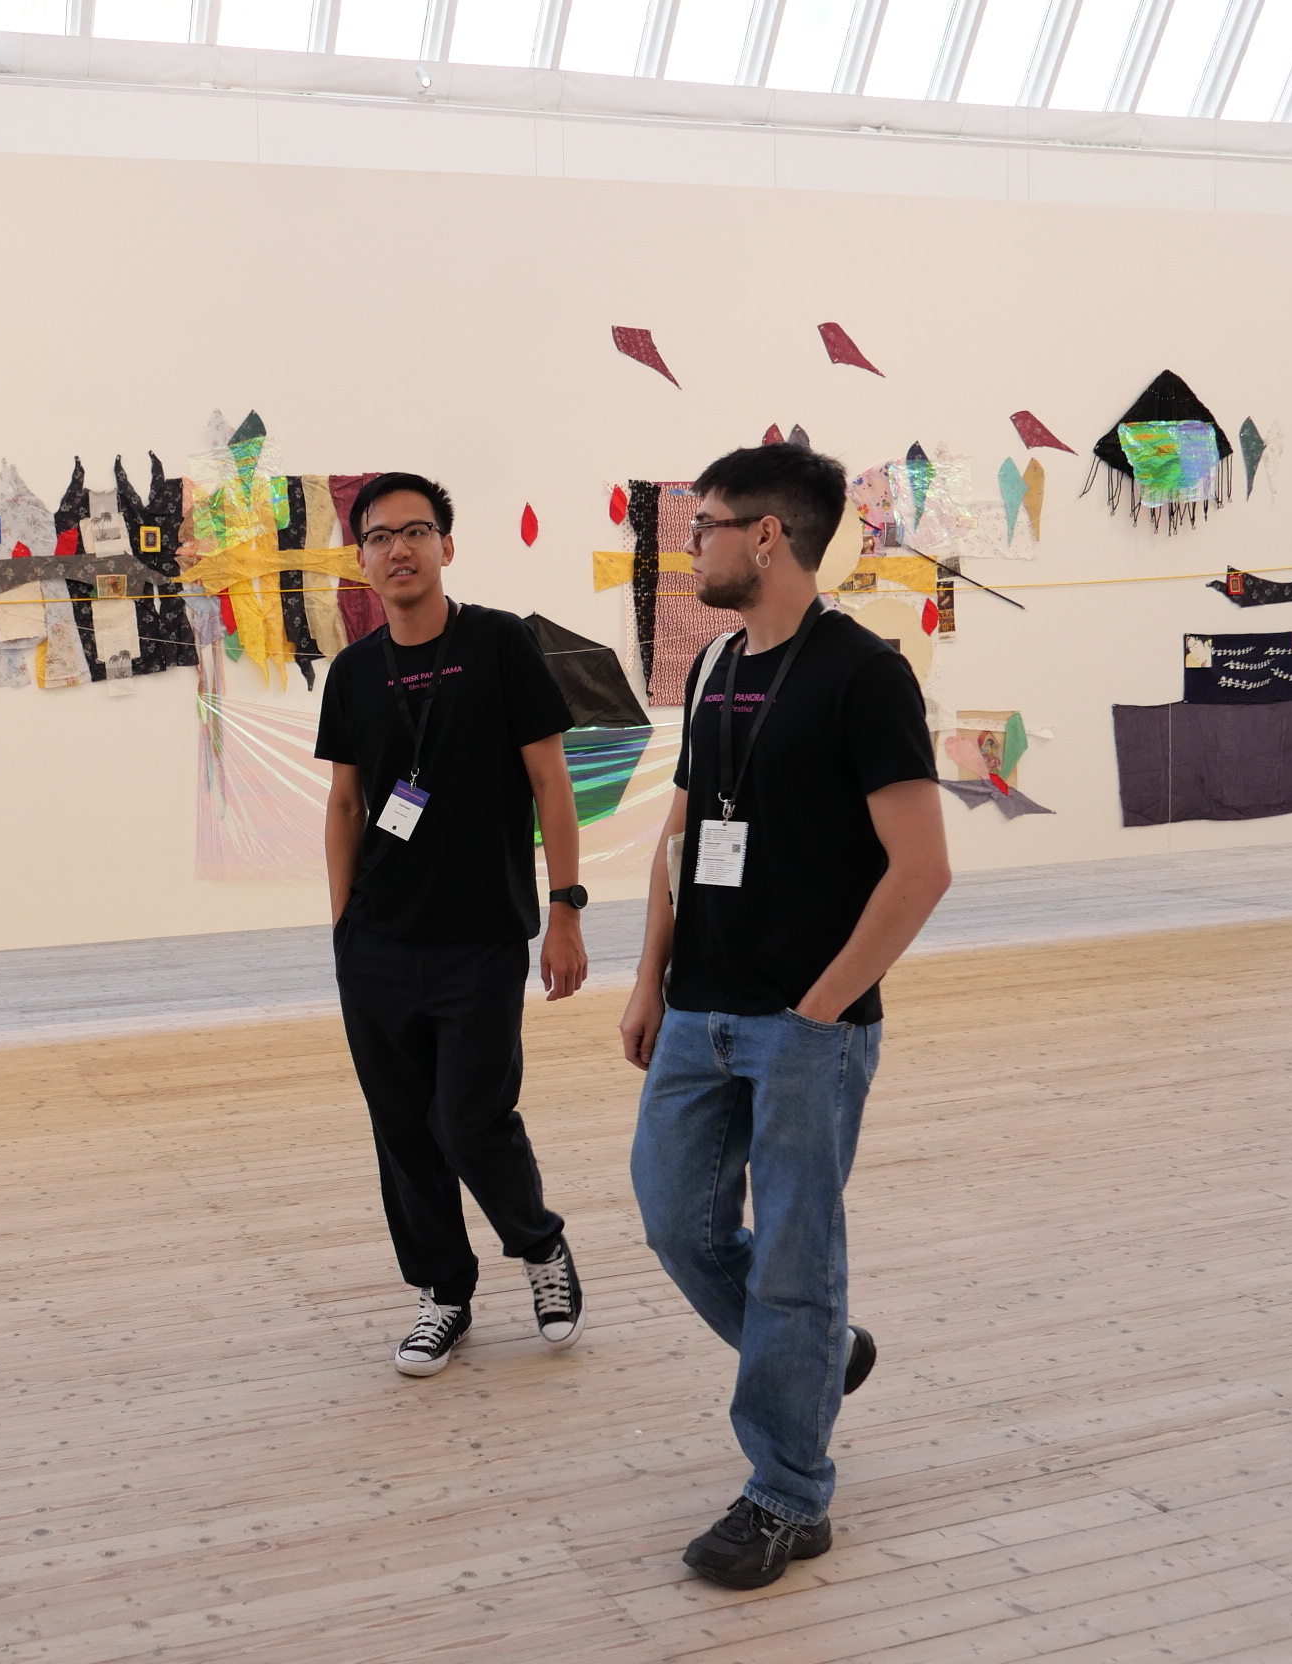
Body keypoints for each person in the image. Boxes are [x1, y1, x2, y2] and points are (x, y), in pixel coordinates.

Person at [618, 443, 952, 1589]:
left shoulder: (866, 676)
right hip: (699, 1009)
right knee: (677, 1222)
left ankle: (787, 1492)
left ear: (767, 536)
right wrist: (650, 975)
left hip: (809, 1023)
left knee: (796, 1259)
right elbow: (680, 834)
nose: (688, 547)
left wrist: (820, 1008)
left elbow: (921, 867)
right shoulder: (715, 665)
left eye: (704, 525)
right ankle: (819, 1352)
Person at [316, 471, 591, 1378]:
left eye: (416, 531)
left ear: (446, 545)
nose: (398, 548)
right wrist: (343, 929)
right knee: (401, 1128)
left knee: (471, 1119)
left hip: (481, 933)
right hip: (378, 944)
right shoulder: (354, 672)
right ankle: (443, 1292)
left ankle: (539, 1244)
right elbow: (346, 804)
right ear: (360, 558)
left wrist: (565, 907)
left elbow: (551, 782)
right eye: (379, 536)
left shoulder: (500, 644)